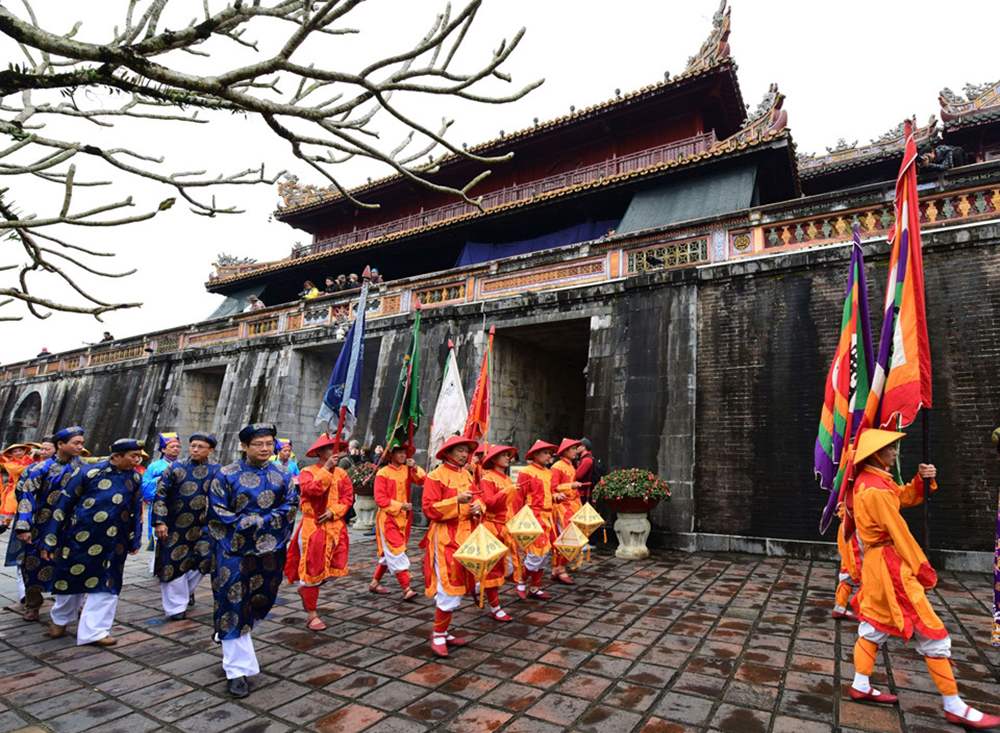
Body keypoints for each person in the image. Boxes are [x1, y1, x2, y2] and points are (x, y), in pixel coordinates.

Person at [846, 429, 1000, 729]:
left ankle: (861, 684)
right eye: (891, 448)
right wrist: (921, 566)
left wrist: (921, 481)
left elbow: (902, 497)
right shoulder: (875, 488)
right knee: (932, 632)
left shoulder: (871, 481)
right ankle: (954, 705)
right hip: (891, 566)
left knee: (873, 626)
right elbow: (898, 531)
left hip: (876, 567)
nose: (895, 452)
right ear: (877, 454)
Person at [208, 423, 298, 699]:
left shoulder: (282, 475)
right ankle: (237, 670)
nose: (265, 449)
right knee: (233, 603)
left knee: (261, 600)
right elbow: (217, 509)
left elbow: (291, 505)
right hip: (232, 551)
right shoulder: (226, 475)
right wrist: (243, 523)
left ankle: (228, 634)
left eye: (269, 443)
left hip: (270, 551)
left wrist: (265, 521)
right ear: (244, 446)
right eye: (258, 444)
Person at [39, 438, 144, 645]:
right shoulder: (88, 473)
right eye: (133, 456)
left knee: (107, 586)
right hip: (80, 537)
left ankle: (95, 631)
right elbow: (63, 505)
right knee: (70, 582)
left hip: (115, 542)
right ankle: (60, 620)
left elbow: (136, 511)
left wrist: (134, 539)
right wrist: (50, 540)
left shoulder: (135, 478)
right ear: (116, 457)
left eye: (138, 456)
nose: (137, 460)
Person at [13, 426, 86, 621]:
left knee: (73, 563)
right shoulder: (40, 469)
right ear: (60, 444)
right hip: (42, 525)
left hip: (72, 525)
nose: (80, 447)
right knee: (33, 564)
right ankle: (33, 604)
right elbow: (25, 496)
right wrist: (24, 525)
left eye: (82, 443)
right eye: (76, 443)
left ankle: (74, 604)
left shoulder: (84, 469)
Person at [421, 435, 483, 658]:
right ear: (447, 452)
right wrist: (456, 501)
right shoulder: (435, 476)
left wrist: (478, 508)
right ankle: (438, 634)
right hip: (445, 538)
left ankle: (444, 631)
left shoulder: (467, 474)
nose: (465, 454)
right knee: (449, 586)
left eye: (466, 451)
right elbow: (429, 509)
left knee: (460, 585)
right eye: (460, 450)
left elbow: (477, 498)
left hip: (466, 535)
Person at [285, 434, 353, 631]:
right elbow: (311, 491)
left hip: (336, 528)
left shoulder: (343, 474)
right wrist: (326, 470)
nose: (334, 452)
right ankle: (312, 614)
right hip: (313, 530)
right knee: (312, 572)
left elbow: (348, 498)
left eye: (336, 448)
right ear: (320, 452)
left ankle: (305, 590)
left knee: (331, 570)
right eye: (329, 448)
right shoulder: (307, 471)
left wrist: (334, 512)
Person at [153, 433, 219, 620]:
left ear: (210, 450)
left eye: (200, 447)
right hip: (175, 526)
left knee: (205, 561)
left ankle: (184, 593)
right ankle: (175, 608)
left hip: (205, 527)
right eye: (193, 446)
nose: (195, 450)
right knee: (173, 564)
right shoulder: (176, 468)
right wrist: (160, 521)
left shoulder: (217, 471)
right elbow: (161, 494)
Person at [370, 444, 424, 600]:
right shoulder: (383, 473)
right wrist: (401, 506)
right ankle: (406, 589)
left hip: (404, 519)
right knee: (397, 551)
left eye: (403, 452)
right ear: (391, 455)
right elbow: (380, 499)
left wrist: (415, 467)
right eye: (398, 452)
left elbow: (422, 480)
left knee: (390, 554)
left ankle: (374, 583)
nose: (402, 455)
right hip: (388, 519)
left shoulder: (407, 470)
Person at [517, 440, 568, 601]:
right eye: (545, 453)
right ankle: (520, 581)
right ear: (535, 454)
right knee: (535, 554)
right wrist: (518, 519)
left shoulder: (548, 472)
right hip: (534, 516)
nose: (549, 456)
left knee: (545, 554)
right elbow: (519, 497)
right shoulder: (526, 471)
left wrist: (556, 496)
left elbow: (550, 492)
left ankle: (535, 587)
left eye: (549, 453)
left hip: (548, 517)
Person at [479, 444, 521, 622]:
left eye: (508, 455)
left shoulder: (506, 479)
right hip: (492, 528)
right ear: (493, 459)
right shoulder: (487, 478)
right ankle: (495, 606)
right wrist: (506, 492)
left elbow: (510, 505)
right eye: (503, 455)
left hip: (506, 528)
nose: (507, 458)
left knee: (509, 566)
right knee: (493, 569)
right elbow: (489, 503)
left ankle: (478, 587)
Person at [550, 438, 586, 585]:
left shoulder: (571, 466)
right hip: (563, 508)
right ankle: (560, 568)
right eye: (573, 448)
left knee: (573, 538)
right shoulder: (557, 466)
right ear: (565, 451)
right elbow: (553, 487)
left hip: (573, 505)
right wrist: (571, 485)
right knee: (566, 539)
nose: (575, 451)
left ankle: (558, 567)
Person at [142, 433, 181, 550]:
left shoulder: (182, 465)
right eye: (172, 446)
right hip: (160, 504)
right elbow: (145, 486)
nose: (176, 449)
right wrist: (160, 480)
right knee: (158, 538)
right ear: (163, 449)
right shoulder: (154, 466)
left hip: (177, 506)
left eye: (178, 446)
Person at [832, 501, 860, 621]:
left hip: (846, 527)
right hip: (854, 529)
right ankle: (866, 611)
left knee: (847, 568)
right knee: (860, 571)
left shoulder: (844, 487)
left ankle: (839, 606)